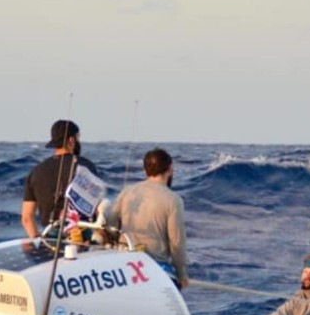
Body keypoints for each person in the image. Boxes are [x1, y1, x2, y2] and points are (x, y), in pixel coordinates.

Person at [105, 148, 189, 289]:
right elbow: (177, 243)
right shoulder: (174, 200)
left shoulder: (127, 192)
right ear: (170, 170)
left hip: (123, 263)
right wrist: (182, 275)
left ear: (145, 171)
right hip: (153, 266)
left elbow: (111, 225)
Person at [21, 119, 98, 239]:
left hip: (49, 239)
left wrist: (38, 240)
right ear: (71, 140)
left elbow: (26, 218)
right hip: (81, 237)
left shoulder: (36, 171)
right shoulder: (86, 166)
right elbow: (96, 209)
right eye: (78, 138)